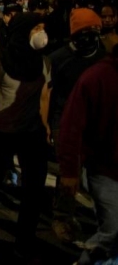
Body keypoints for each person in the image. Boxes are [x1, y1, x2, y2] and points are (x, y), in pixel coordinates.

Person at [0, 12, 51, 259]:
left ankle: (24, 242)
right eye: (36, 28)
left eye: (42, 28)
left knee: (34, 190)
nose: (41, 34)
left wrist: (44, 125)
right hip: (2, 130)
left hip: (32, 131)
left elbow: (45, 96)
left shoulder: (44, 62)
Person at [58, 31, 118, 265]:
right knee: (113, 229)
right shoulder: (98, 76)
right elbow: (71, 126)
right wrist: (69, 171)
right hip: (105, 170)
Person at [48, 8, 106, 243]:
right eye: (83, 32)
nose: (88, 37)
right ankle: (63, 216)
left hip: (95, 121)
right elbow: (50, 95)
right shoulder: (59, 59)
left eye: (93, 31)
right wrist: (50, 124)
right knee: (68, 172)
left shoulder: (103, 56)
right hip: (66, 121)